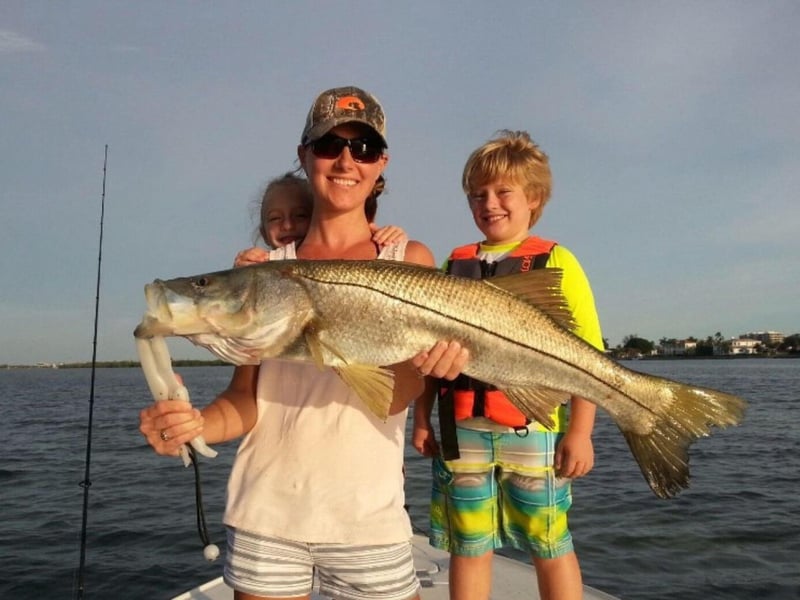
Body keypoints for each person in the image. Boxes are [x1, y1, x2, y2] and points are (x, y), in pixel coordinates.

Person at [139, 85, 469, 600]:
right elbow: (246, 400)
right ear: (304, 156)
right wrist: (196, 424)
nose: (345, 160)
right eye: (327, 145)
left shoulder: (407, 258)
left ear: (381, 162)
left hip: (366, 520)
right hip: (266, 517)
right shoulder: (265, 272)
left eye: (361, 148)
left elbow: (397, 396)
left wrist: (432, 366)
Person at [412, 130, 604, 600]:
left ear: (533, 198)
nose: (489, 203)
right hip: (461, 429)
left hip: (532, 426)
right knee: (468, 543)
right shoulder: (451, 265)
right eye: (478, 195)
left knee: (548, 539)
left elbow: (587, 356)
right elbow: (426, 352)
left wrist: (579, 431)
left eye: (503, 192)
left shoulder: (557, 261)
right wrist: (420, 419)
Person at [235, 171, 407, 265]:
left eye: (300, 215)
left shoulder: (396, 251)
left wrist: (391, 239)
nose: (287, 225)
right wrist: (240, 280)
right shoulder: (260, 267)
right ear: (263, 232)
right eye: (275, 218)